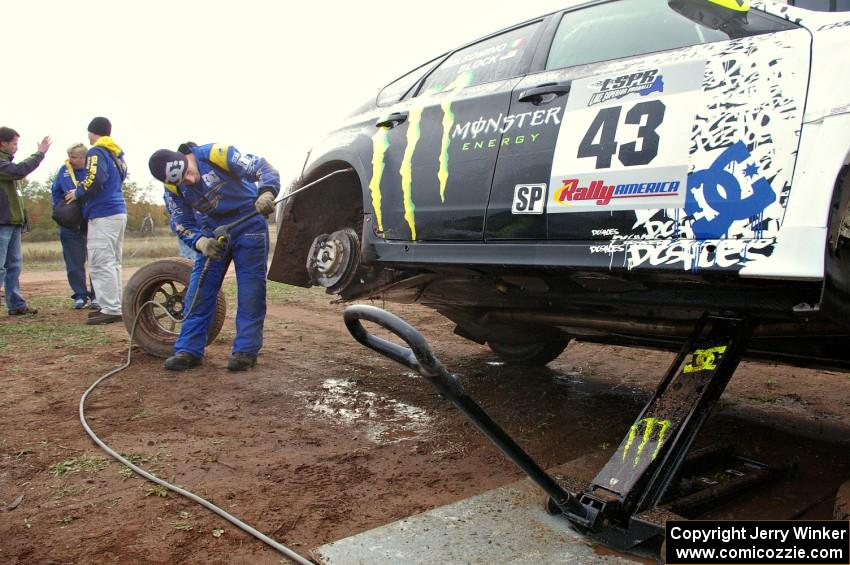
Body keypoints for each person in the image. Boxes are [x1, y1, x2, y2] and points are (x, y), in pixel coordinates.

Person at [148, 142, 280, 372]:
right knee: (199, 290)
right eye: (181, 181)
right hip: (212, 233)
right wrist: (200, 242)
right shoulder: (172, 189)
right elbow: (181, 222)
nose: (188, 181)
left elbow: (262, 167)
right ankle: (188, 350)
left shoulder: (217, 154)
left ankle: (245, 352)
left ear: (186, 159)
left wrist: (266, 191)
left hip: (248, 222)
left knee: (251, 291)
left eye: (188, 173)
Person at [65, 117, 128, 325]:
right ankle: (114, 305)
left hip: (103, 213)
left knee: (100, 261)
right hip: (117, 211)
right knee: (112, 262)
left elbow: (95, 178)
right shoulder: (115, 152)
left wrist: (79, 192)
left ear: (92, 132)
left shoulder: (97, 152)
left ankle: (110, 308)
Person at [0, 126, 51, 316]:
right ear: (2, 143)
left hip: (12, 222)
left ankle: (16, 304)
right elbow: (20, 170)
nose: (16, 147)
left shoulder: (7, 164)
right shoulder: (4, 166)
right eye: (14, 143)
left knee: (14, 265)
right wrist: (39, 154)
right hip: (2, 223)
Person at [51, 143, 95, 308]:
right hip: (70, 226)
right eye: (69, 156)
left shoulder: (92, 171)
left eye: (74, 157)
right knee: (74, 263)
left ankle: (97, 295)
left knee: (96, 262)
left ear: (84, 158)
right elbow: (56, 191)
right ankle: (80, 295)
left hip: (91, 223)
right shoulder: (63, 171)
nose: (70, 160)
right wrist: (61, 211)